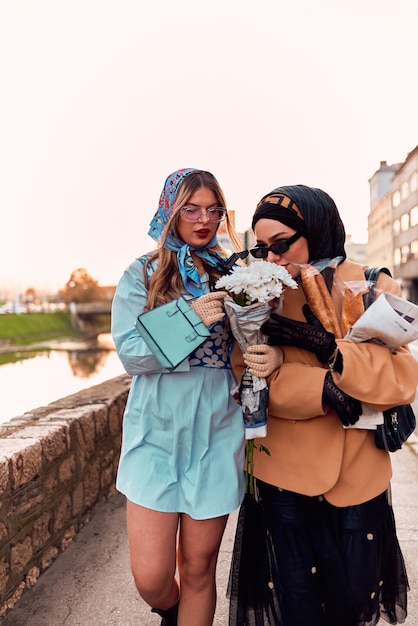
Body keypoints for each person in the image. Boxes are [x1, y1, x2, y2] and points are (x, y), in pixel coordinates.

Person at [228, 184, 418, 626]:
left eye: (281, 245)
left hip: (357, 474)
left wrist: (333, 352)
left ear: (315, 230)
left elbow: (402, 378)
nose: (272, 259)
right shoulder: (257, 294)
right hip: (285, 473)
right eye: (262, 248)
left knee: (352, 600)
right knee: (297, 603)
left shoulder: (371, 284)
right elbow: (250, 374)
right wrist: (318, 388)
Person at [111, 168, 249, 626]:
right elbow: (132, 353)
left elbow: (252, 350)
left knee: (197, 568)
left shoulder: (237, 273)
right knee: (151, 577)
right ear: (171, 211)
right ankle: (171, 613)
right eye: (191, 208)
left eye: (213, 210)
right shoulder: (143, 273)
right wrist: (189, 318)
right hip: (156, 432)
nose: (203, 219)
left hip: (216, 429)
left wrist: (264, 353)